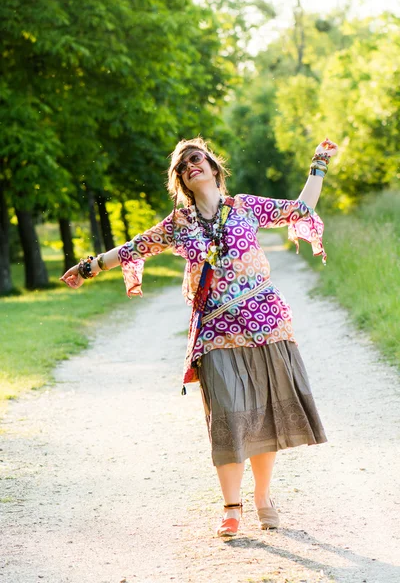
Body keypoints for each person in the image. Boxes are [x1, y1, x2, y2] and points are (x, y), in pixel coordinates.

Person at [60, 136, 338, 537]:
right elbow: (133, 248)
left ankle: (262, 497)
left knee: (262, 413)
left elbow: (301, 208)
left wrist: (319, 163)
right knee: (227, 415)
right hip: (215, 331)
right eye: (182, 166)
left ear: (212, 167)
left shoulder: (243, 206)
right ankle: (231, 507)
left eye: (196, 159)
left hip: (266, 325)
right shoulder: (179, 225)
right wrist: (89, 267)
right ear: (182, 182)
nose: (190, 166)